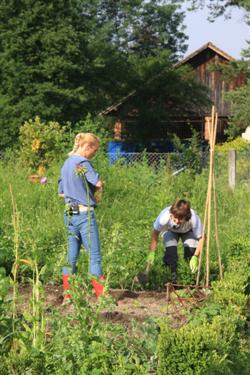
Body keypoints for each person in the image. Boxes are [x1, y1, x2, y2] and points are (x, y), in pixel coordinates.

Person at [58, 132, 105, 302]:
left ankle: (67, 297)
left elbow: (61, 193)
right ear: (87, 147)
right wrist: (100, 185)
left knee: (71, 256)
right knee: (94, 257)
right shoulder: (81, 163)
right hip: (85, 212)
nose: (94, 154)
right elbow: (97, 183)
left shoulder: (66, 164)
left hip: (70, 212)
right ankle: (102, 298)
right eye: (95, 150)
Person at [147, 199, 204, 284]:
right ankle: (171, 280)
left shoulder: (193, 218)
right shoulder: (164, 217)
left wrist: (195, 256)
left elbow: (202, 238)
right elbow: (155, 233)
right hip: (170, 230)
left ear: (186, 216)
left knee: (190, 251)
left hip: (188, 231)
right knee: (171, 253)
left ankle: (190, 279)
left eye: (181, 219)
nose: (177, 221)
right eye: (175, 218)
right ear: (171, 214)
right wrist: (152, 252)